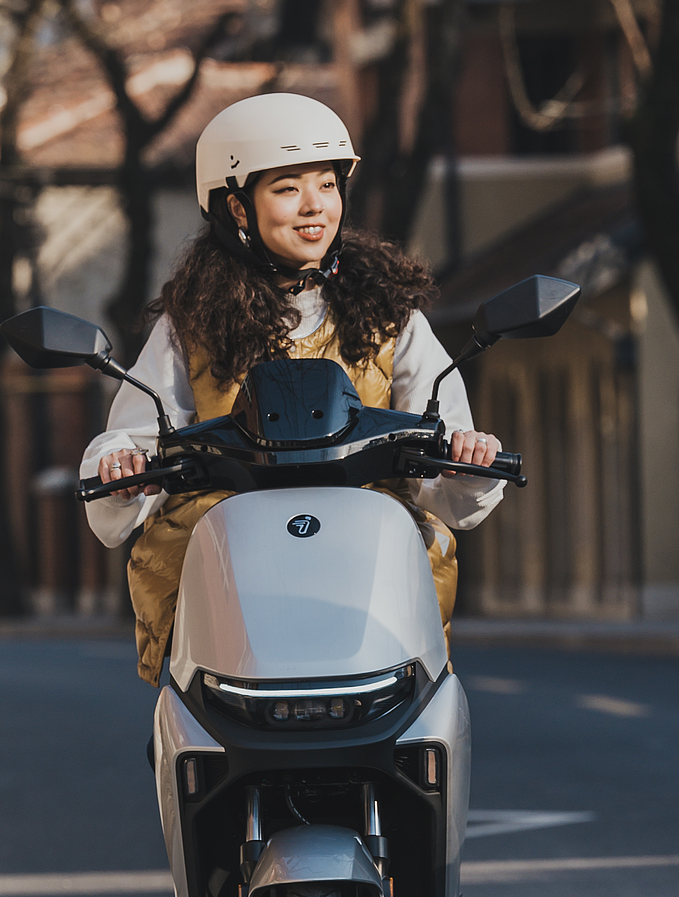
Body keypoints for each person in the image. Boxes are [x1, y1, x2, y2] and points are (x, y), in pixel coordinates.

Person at [82, 93, 503, 685]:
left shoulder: (391, 317)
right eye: (286, 188)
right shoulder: (191, 324)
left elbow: (446, 444)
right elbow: (130, 436)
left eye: (328, 185)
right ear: (237, 207)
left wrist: (466, 458)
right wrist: (121, 466)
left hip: (366, 567)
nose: (315, 206)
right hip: (230, 577)